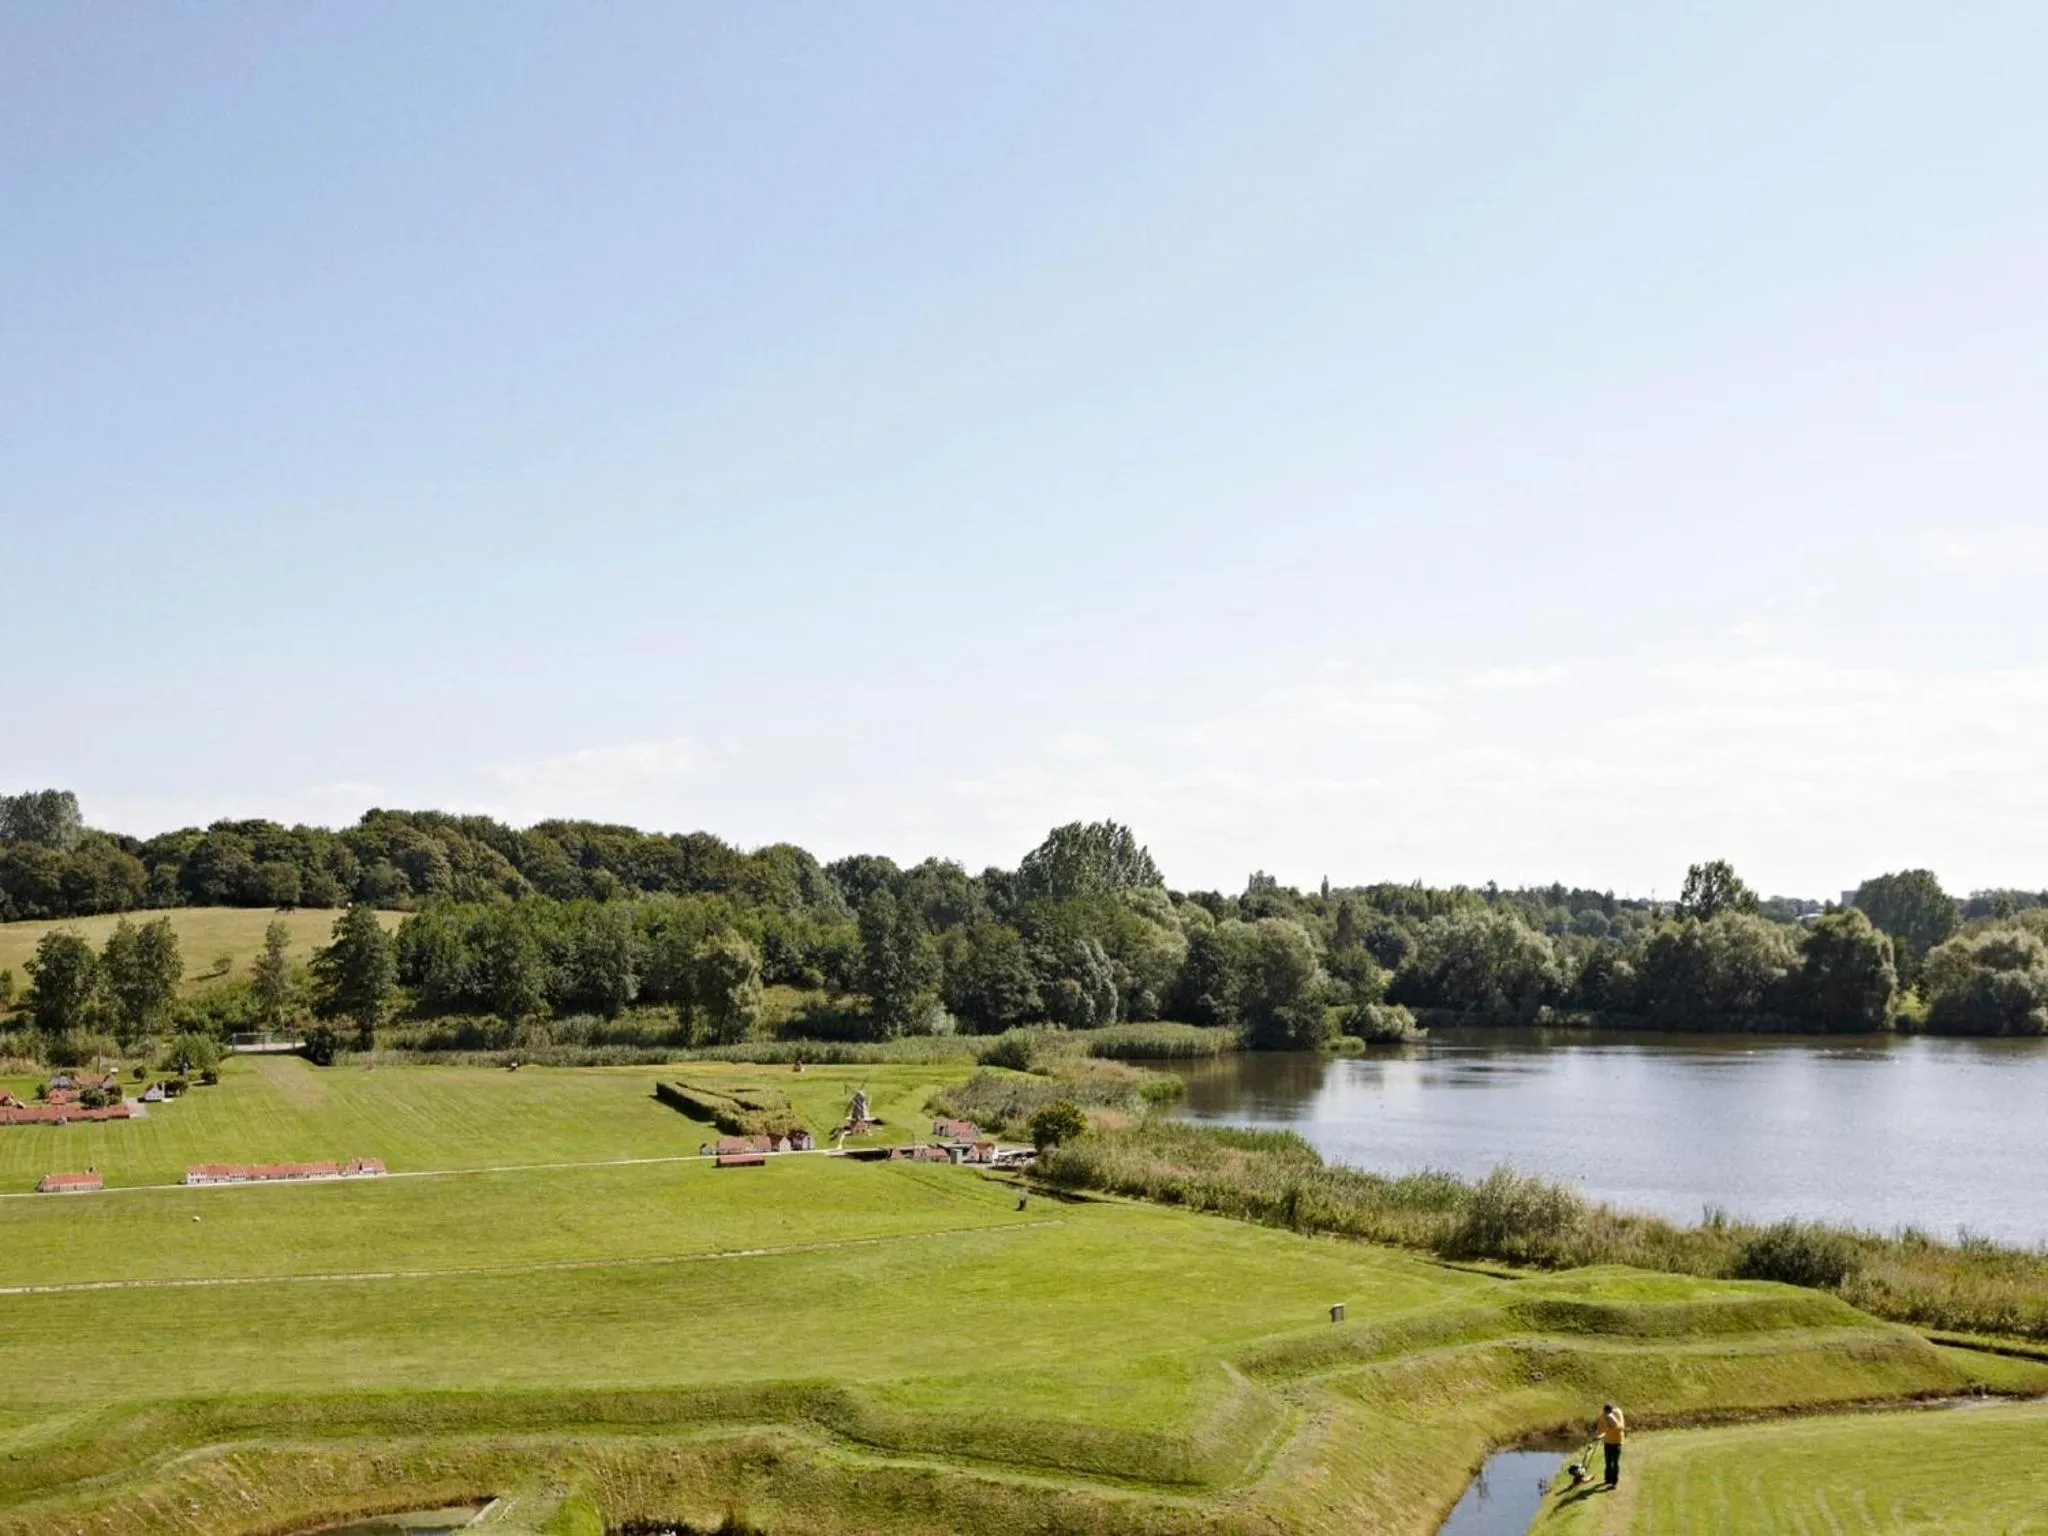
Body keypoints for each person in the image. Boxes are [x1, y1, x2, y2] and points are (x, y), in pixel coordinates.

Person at [1599, 1401, 1627, 1489]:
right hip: (1607, 1442)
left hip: (1617, 1442)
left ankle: (1614, 1482)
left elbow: (1621, 1428)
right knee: (1608, 1462)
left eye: (1607, 1412)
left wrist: (1613, 1423)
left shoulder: (1618, 1413)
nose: (1605, 1414)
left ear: (1611, 1410)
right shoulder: (1603, 1414)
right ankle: (1607, 1479)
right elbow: (1601, 1427)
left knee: (1615, 1462)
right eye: (1605, 1412)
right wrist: (1599, 1435)